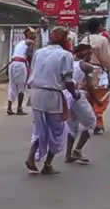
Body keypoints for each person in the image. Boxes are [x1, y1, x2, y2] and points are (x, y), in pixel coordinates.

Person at [27, 27, 77, 175]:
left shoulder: (39, 52)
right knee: (57, 131)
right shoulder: (66, 55)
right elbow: (68, 80)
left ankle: (31, 156)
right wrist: (74, 93)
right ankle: (47, 163)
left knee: (39, 128)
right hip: (52, 95)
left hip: (36, 94)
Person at [80, 18, 110, 135]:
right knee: (102, 97)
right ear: (98, 27)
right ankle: (98, 121)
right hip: (98, 71)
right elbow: (106, 58)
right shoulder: (103, 40)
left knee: (90, 96)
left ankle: (91, 121)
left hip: (85, 70)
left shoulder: (85, 39)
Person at [65, 43, 98, 165]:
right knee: (91, 123)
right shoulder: (87, 66)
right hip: (79, 96)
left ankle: (68, 154)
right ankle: (77, 150)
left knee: (72, 126)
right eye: (88, 53)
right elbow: (90, 86)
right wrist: (96, 100)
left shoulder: (67, 64)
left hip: (68, 96)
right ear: (80, 53)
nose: (90, 55)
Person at [6, 28, 36, 115]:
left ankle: (9, 107)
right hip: (21, 64)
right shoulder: (31, 42)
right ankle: (19, 108)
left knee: (12, 85)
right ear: (29, 35)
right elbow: (29, 55)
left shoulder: (20, 43)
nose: (35, 36)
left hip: (13, 63)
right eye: (33, 34)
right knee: (21, 86)